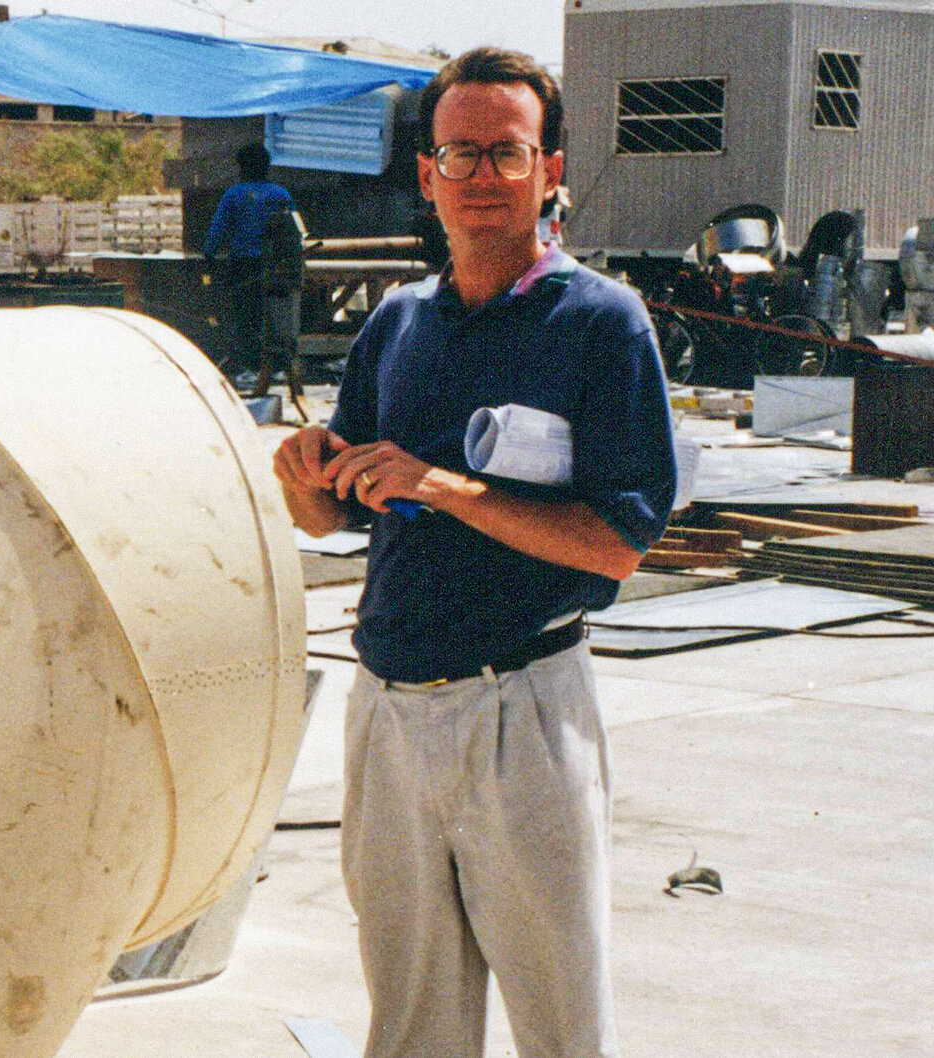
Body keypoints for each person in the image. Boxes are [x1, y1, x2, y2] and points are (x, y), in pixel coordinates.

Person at [272, 47, 675, 1058]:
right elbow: (336, 518)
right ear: (427, 175)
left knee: (561, 1024)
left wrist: (446, 485)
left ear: (551, 169)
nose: (482, 176)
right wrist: (301, 474)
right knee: (409, 1023)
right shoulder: (399, 325)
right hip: (391, 712)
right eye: (461, 153)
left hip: (522, 711)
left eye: (507, 152)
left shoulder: (600, 323)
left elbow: (619, 542)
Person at [204, 143, 304, 402]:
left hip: (244, 265)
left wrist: (209, 254)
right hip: (278, 266)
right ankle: (277, 368)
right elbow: (296, 231)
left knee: (246, 316)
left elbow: (218, 229)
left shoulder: (234, 195)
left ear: (242, 168)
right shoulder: (280, 194)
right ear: (267, 166)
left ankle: (249, 369)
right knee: (275, 317)